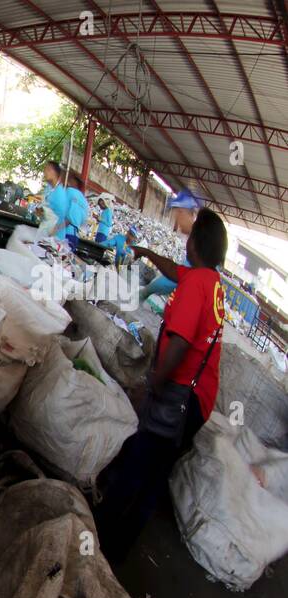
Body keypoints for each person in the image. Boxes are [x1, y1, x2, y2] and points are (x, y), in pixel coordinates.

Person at [95, 208, 228, 564]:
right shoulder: (210, 281)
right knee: (155, 474)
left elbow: (181, 341)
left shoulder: (196, 286)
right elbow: (175, 271)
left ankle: (100, 540)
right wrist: (145, 252)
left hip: (179, 398)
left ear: (197, 242)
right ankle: (120, 547)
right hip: (198, 401)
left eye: (190, 235)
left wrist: (154, 383)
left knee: (139, 466)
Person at [141, 189, 201, 301]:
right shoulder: (197, 238)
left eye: (176, 214)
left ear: (182, 211)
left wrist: (147, 290)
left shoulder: (198, 243)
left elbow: (177, 277)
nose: (176, 220)